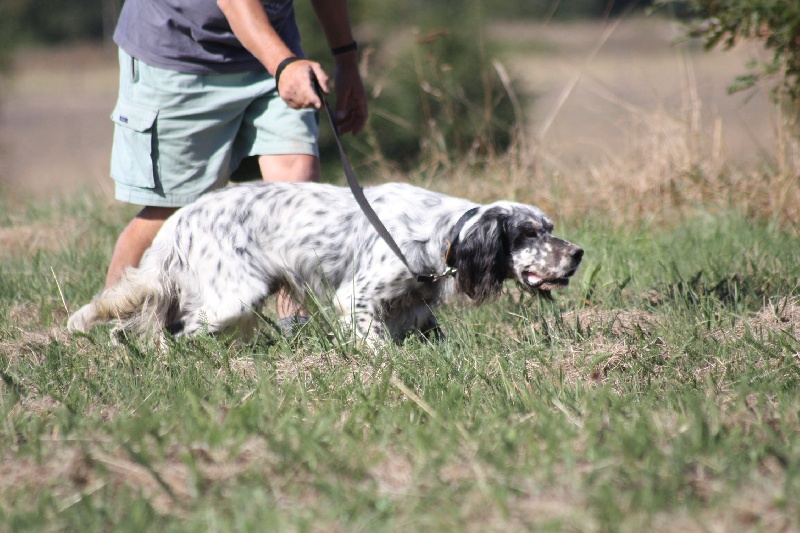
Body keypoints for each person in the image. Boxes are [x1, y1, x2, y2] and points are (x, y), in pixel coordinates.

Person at [104, 0, 368, 332]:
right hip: (179, 54)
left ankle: (296, 328)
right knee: (175, 208)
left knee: (295, 187)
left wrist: (346, 62)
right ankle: (110, 320)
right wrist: (283, 65)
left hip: (273, 48)